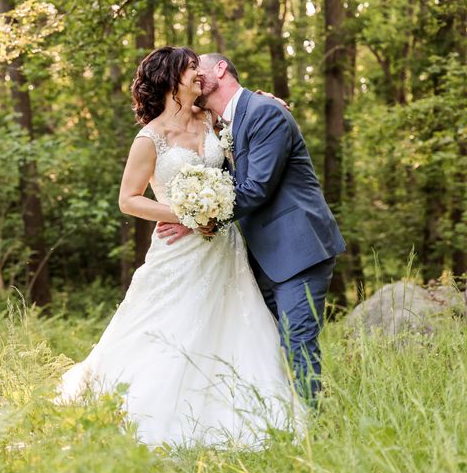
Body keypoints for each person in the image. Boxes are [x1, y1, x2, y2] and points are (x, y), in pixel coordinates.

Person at [57, 47, 304, 448]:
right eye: (191, 68)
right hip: (178, 249)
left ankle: (247, 413)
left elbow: (246, 120)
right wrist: (183, 214)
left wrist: (269, 101)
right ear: (172, 79)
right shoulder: (149, 138)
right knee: (165, 326)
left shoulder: (209, 119)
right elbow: (129, 199)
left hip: (223, 247)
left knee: (235, 324)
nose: (198, 74)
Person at [158, 53, 346, 403]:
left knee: (297, 341)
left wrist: (198, 219)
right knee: (264, 343)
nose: (195, 76)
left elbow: (256, 188)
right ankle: (284, 419)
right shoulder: (224, 123)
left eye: (199, 68)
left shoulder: (265, 112)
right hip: (261, 255)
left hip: (297, 249)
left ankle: (317, 428)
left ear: (221, 69)